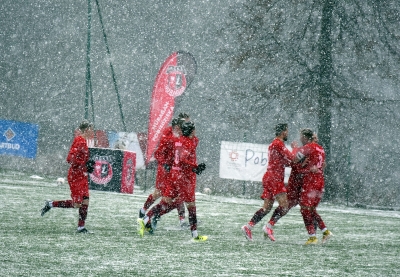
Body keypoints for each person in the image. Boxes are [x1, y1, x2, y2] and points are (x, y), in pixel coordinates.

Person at [137, 121, 207, 241]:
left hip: (174, 175)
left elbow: (180, 153)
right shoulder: (184, 141)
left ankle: (145, 218)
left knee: (165, 202)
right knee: (190, 206)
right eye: (194, 129)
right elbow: (182, 160)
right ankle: (195, 235)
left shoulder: (178, 140)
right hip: (184, 178)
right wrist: (195, 167)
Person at [241, 123, 299, 241]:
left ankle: (248, 227)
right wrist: (295, 149)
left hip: (269, 177)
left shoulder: (274, 144)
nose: (287, 133)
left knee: (266, 208)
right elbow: (292, 158)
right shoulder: (278, 144)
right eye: (287, 131)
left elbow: (286, 162)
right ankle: (269, 227)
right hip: (274, 179)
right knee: (285, 205)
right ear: (283, 132)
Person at [41, 120, 95, 233]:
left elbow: (81, 160)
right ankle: (51, 204)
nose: (92, 131)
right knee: (76, 204)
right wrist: (83, 164)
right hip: (75, 176)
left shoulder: (84, 142)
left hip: (82, 176)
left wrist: (88, 165)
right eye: (91, 129)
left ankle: (81, 227)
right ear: (86, 130)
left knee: (85, 201)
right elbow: (70, 159)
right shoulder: (79, 141)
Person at [138, 114, 189, 227]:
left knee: (177, 195)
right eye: (184, 124)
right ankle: (144, 212)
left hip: (175, 170)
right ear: (176, 126)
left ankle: (181, 220)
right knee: (159, 194)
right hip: (165, 169)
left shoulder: (183, 136)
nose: (186, 127)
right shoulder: (168, 133)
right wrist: (165, 162)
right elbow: (159, 152)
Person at [295, 128, 332, 244]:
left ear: (305, 137)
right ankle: (325, 231)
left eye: (301, 136)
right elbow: (324, 165)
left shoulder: (308, 147)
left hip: (311, 181)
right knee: (311, 209)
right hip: (320, 181)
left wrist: (297, 152)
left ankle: (312, 237)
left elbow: (295, 159)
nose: (300, 139)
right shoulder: (321, 149)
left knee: (305, 209)